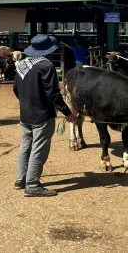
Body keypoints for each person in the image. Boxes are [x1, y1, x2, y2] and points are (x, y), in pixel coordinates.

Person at [14, 35, 76, 197]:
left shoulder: (22, 64)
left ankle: (21, 179)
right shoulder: (46, 65)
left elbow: (15, 89)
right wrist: (67, 113)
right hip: (42, 113)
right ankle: (32, 185)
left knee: (25, 145)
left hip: (25, 113)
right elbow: (53, 94)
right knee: (39, 148)